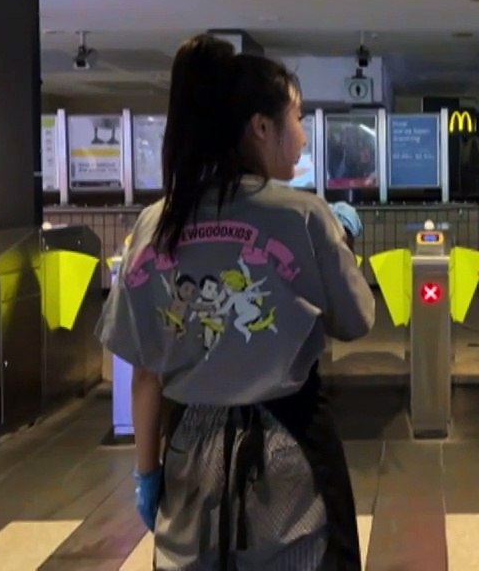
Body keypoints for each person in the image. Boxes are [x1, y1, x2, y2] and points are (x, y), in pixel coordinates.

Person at [96, 34, 375, 570]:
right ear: (261, 127)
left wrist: (148, 474)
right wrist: (335, 242)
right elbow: (356, 320)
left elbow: (145, 374)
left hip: (188, 453)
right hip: (290, 452)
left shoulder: (155, 224)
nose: (303, 136)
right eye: (297, 118)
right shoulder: (304, 215)